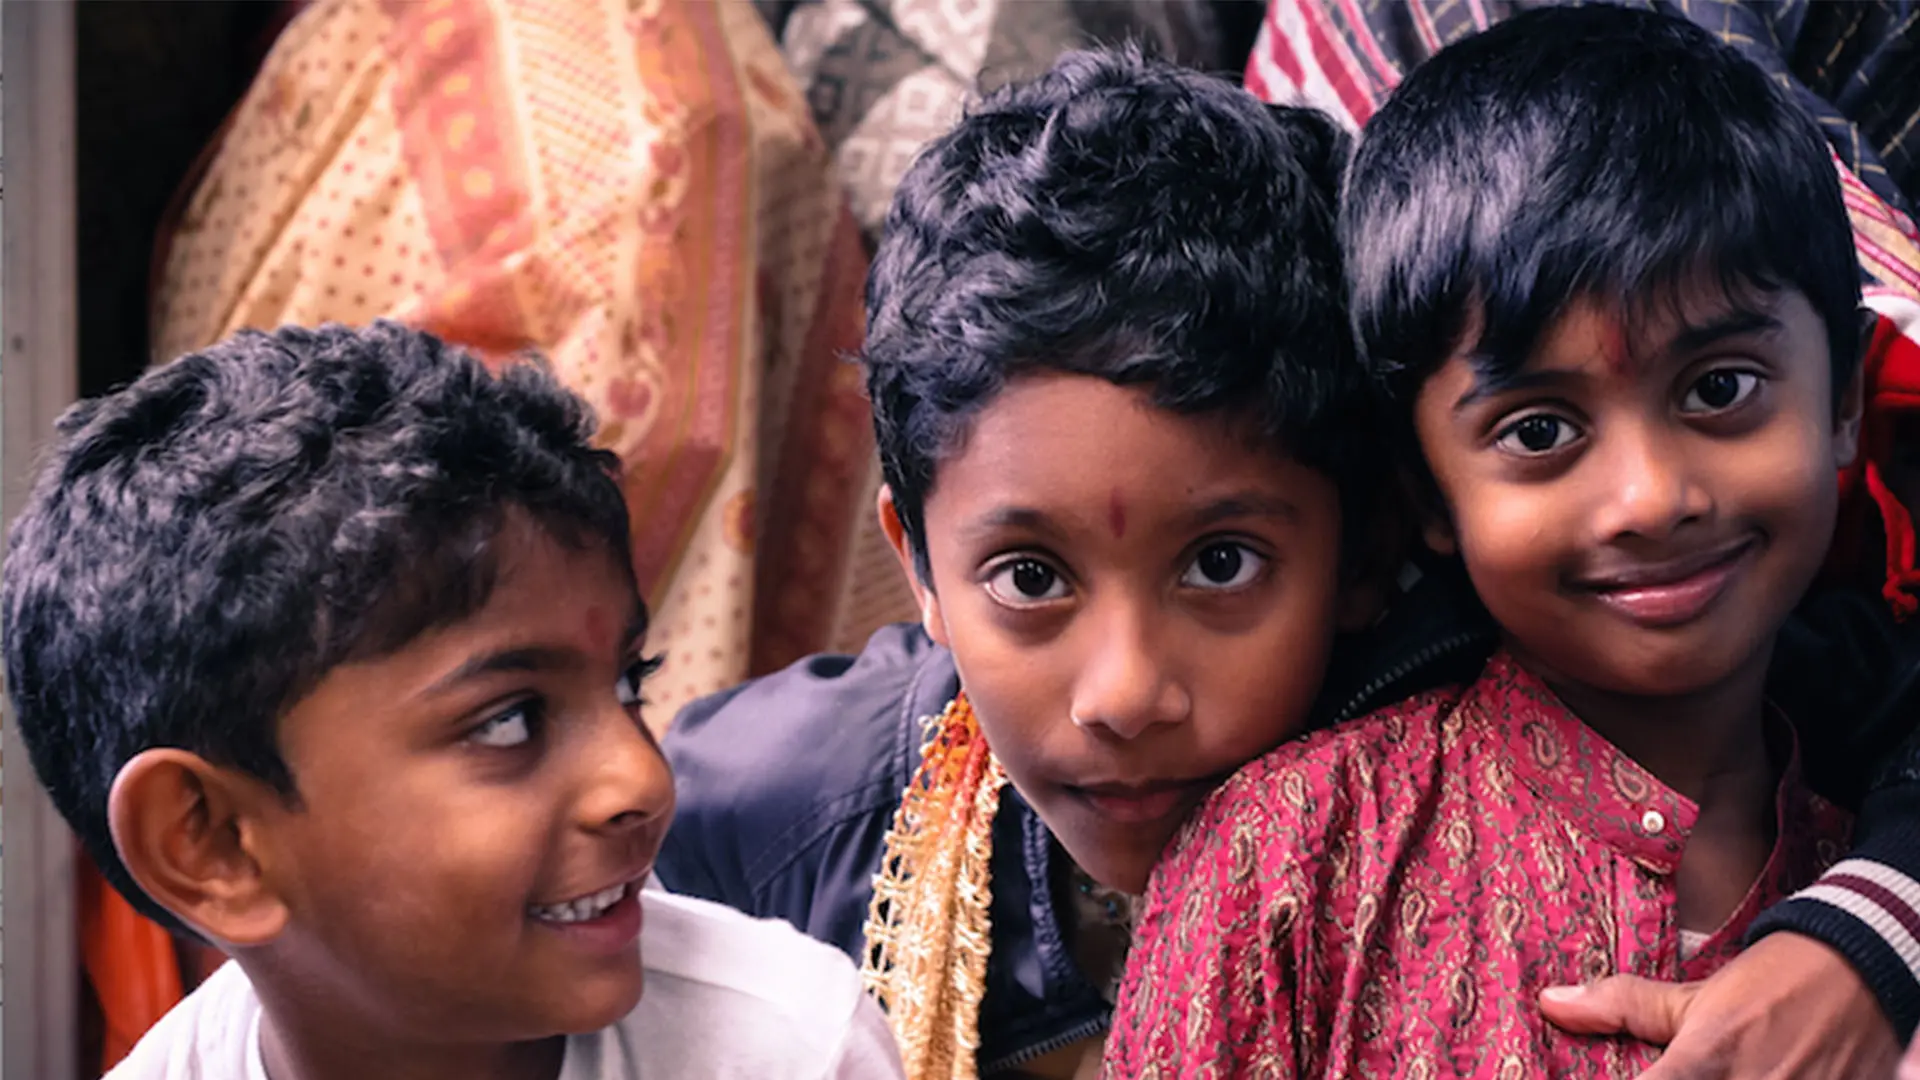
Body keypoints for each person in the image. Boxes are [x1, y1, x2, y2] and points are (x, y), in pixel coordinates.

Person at [656, 44, 1920, 1080]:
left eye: (1220, 565)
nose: (1126, 692)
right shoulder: (793, 808)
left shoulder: (1605, 630)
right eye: (1030, 579)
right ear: (918, 566)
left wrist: (1869, 934)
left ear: (1380, 531)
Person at [1107, 7, 1900, 1076]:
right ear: (1425, 492)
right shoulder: (1291, 861)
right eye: (1539, 431)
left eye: (1720, 390)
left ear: (1843, 397)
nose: (1650, 497)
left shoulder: (1876, 855)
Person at [1, 321, 905, 1080]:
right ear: (213, 842)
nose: (641, 777)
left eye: (630, 683)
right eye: (509, 720)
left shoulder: (788, 1048)